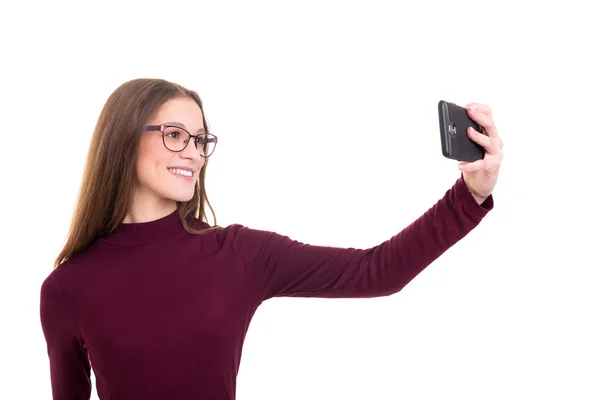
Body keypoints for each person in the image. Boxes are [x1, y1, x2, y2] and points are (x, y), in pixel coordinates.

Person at [39, 78, 503, 400]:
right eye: (175, 135)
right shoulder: (67, 288)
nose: (194, 154)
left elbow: (376, 270)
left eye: (201, 140)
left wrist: (470, 195)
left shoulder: (236, 255)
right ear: (123, 139)